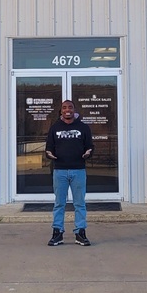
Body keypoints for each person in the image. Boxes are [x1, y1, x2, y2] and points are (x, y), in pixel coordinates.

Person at [45, 99, 94, 246]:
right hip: (59, 170)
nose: (67, 110)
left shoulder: (83, 127)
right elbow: (49, 147)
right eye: (65, 107)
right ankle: (57, 233)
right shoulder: (54, 128)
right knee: (59, 204)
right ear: (61, 111)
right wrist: (49, 154)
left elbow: (90, 146)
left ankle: (80, 233)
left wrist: (88, 153)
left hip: (78, 170)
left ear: (74, 110)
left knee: (79, 204)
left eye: (70, 107)